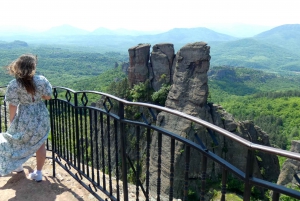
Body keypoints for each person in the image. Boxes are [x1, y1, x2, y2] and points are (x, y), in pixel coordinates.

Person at [0, 54, 52, 182]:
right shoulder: (42, 80)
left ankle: (17, 166)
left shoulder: (14, 84)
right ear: (33, 67)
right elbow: (48, 96)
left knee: (17, 141)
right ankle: (39, 173)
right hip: (40, 114)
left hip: (24, 116)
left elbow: (12, 104)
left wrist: (11, 120)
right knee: (40, 143)